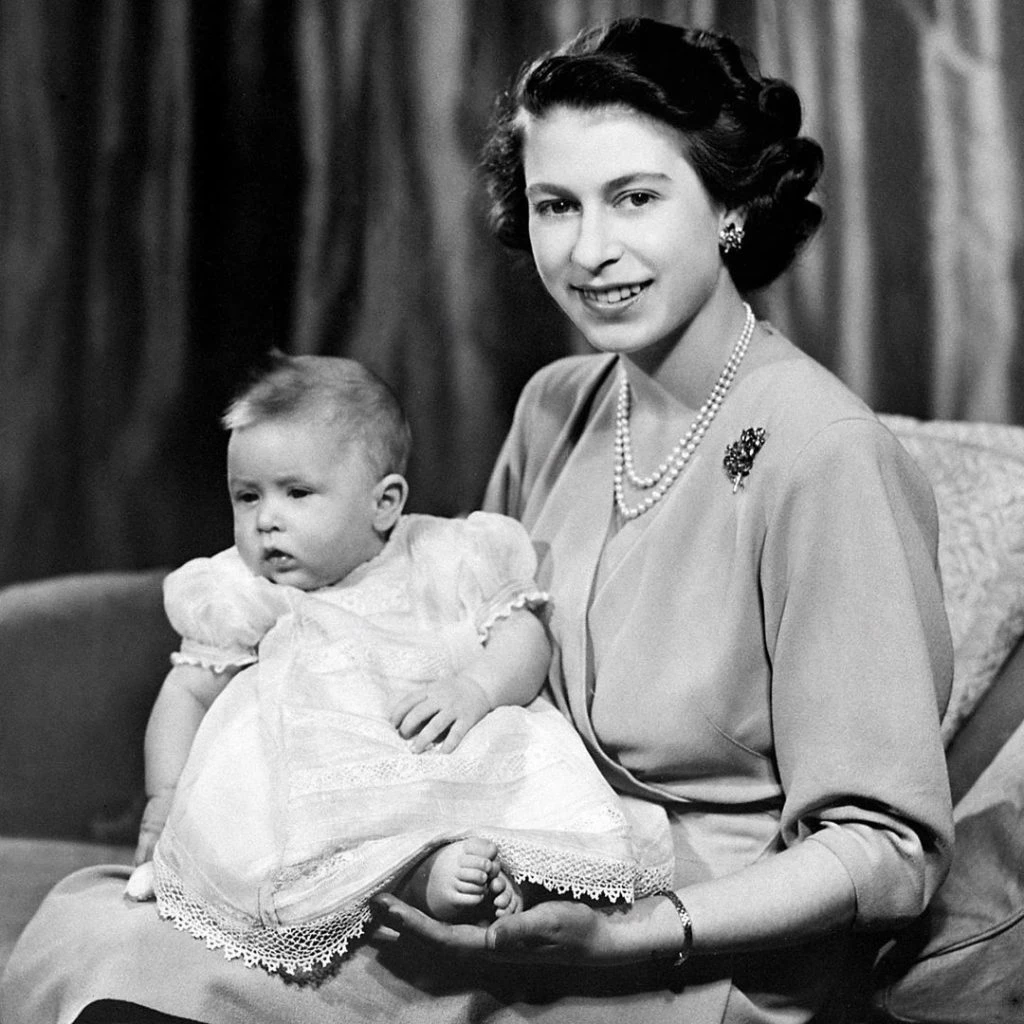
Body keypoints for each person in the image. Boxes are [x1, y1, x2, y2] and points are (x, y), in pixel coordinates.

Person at [0, 17, 953, 1024]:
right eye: (555, 205)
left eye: (635, 197)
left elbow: (885, 849)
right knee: (100, 932)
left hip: (689, 949)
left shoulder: (827, 454)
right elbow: (455, 634)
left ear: (728, 206)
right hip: (497, 878)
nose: (590, 250)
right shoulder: (558, 406)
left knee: (137, 980)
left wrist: (634, 931)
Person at [120, 352, 669, 979]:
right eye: (247, 497)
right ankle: (425, 882)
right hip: (328, 790)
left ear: (384, 503)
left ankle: (514, 881)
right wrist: (166, 796)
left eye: (296, 493)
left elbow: (524, 635)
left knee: (524, 799)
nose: (266, 520)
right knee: (306, 850)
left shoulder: (444, 554)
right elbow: (188, 691)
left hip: (445, 750)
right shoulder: (248, 591)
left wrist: (476, 687)